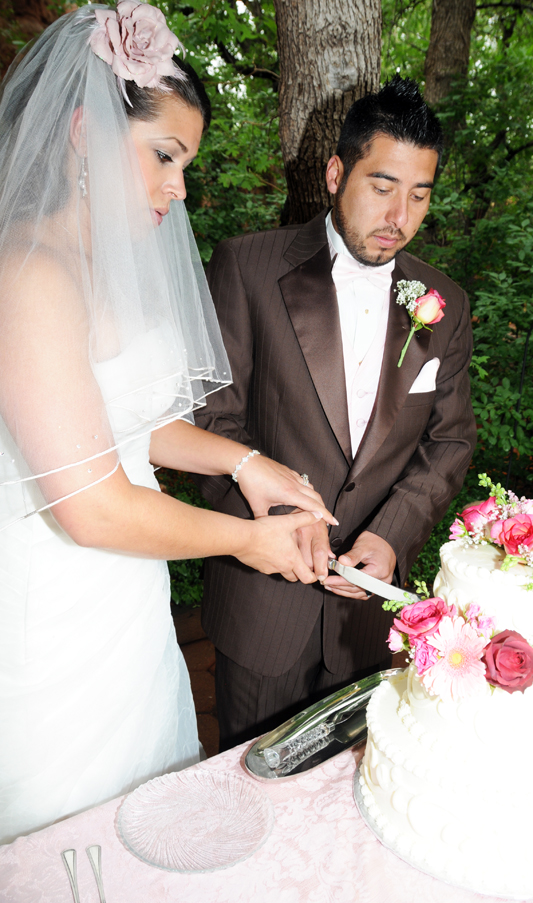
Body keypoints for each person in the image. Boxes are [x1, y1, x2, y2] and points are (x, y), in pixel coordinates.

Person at [0, 2, 336, 845]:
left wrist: (247, 462)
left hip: (131, 610)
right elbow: (91, 505)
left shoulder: (109, 266)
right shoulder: (28, 277)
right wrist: (246, 541)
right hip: (58, 616)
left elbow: (131, 422)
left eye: (183, 162)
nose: (179, 187)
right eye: (163, 155)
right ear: (82, 131)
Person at [194, 76, 477, 751]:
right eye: (382, 186)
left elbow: (450, 441)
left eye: (420, 194)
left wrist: (391, 532)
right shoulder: (245, 267)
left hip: (368, 624)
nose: (399, 215)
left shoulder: (446, 302)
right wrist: (284, 520)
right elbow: (208, 426)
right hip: (264, 610)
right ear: (334, 172)